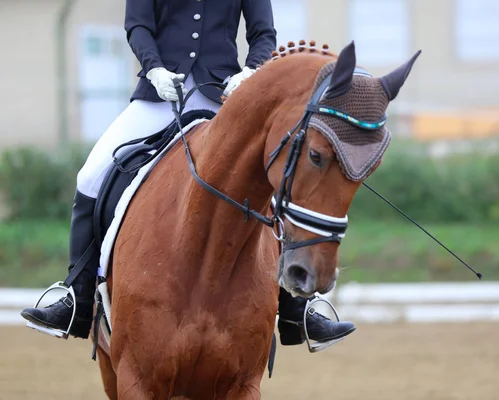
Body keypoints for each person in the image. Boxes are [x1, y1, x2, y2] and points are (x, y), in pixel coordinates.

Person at [20, 0, 355, 350]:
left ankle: (295, 309)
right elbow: (138, 26)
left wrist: (252, 71)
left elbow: (263, 33)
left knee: (272, 187)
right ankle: (77, 294)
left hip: (222, 97)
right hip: (159, 96)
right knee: (90, 176)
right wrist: (154, 70)